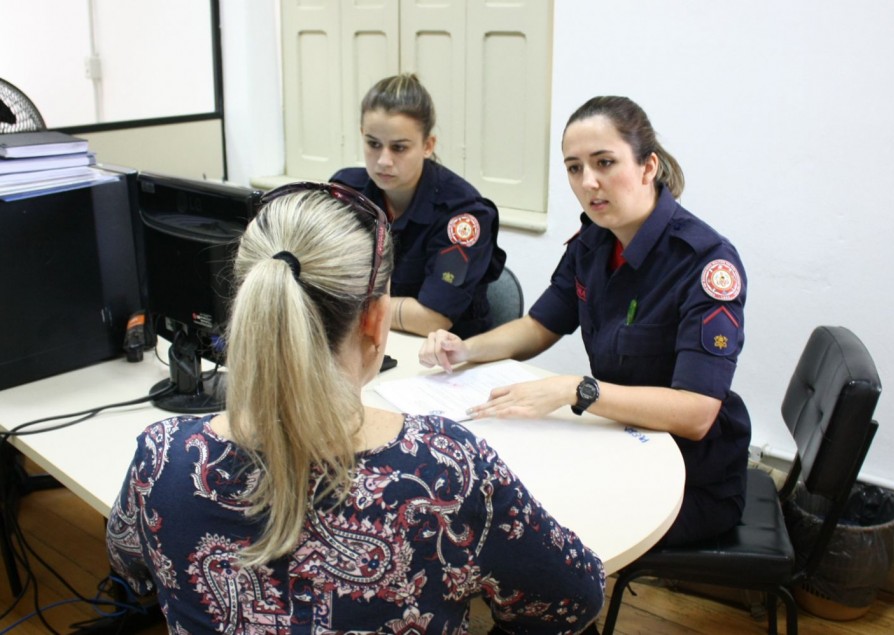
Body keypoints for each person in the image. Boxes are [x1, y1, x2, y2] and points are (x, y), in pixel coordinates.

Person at [106, 182, 604, 633]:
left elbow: (129, 565)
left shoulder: (161, 460)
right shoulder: (445, 469)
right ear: (375, 321)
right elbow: (575, 598)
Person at [420, 96, 751, 548]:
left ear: (648, 166)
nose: (589, 182)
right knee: (490, 493)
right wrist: (465, 349)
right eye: (574, 168)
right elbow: (539, 326)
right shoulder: (594, 242)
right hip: (618, 445)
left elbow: (696, 413)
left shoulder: (705, 262)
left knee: (532, 528)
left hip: (689, 477)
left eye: (605, 162)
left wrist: (578, 390)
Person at [331, 73, 506, 339]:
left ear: (427, 145)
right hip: (370, 340)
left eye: (399, 148)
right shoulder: (345, 193)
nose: (383, 161)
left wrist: (350, 304)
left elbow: (431, 319)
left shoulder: (463, 215)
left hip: (446, 362)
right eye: (373, 144)